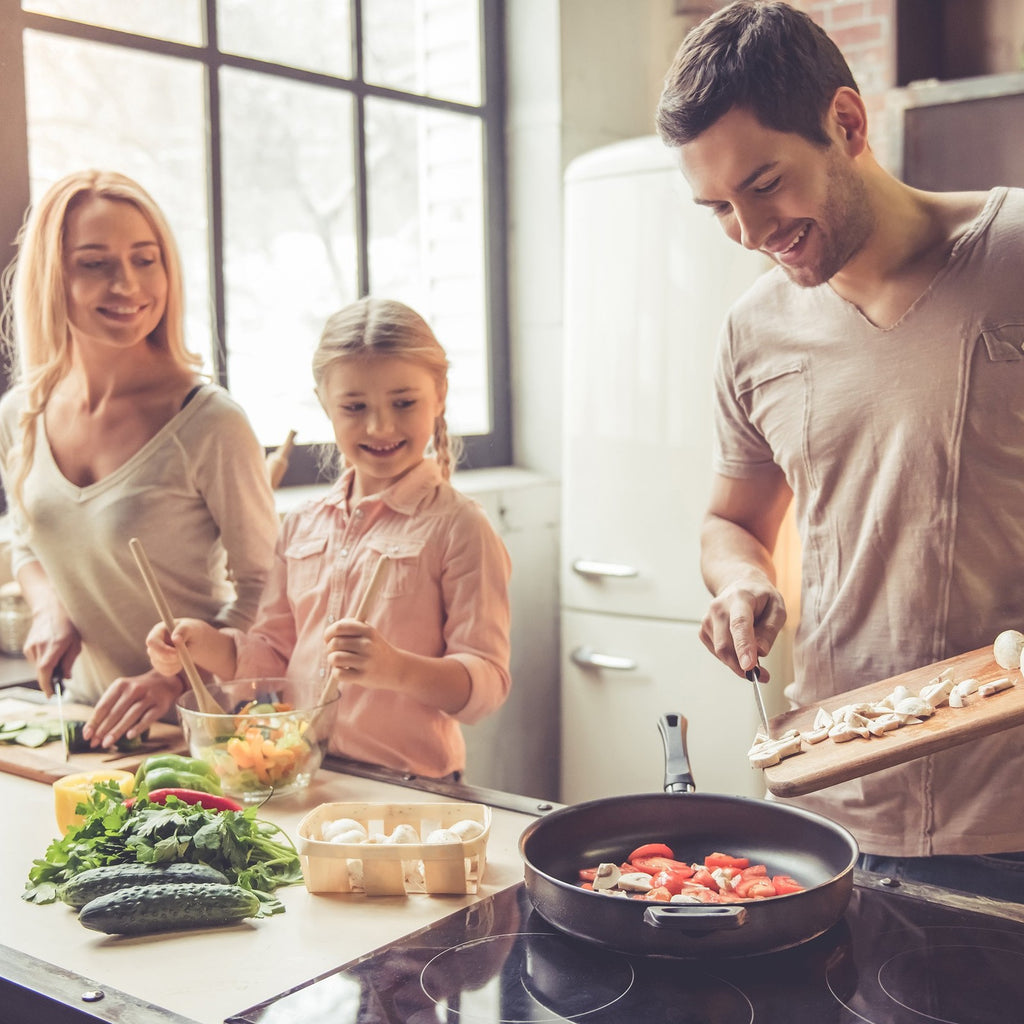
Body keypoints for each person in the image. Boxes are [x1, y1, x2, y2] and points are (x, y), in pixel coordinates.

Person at [655, 0, 1024, 897]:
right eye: (719, 210)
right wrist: (741, 579)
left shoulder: (1015, 255)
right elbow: (728, 520)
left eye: (765, 183)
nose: (749, 231)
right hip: (836, 807)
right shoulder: (754, 331)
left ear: (846, 123)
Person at [147, 296, 512, 779]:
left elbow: (486, 686)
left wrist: (395, 668)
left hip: (415, 787)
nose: (380, 426)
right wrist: (204, 646)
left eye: (404, 403)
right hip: (308, 775)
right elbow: (272, 657)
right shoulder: (300, 524)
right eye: (355, 407)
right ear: (324, 403)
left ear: (439, 393)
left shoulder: (461, 527)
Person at [0, 169, 278, 748]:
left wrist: (167, 679)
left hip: (199, 731)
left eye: (144, 259)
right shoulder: (20, 415)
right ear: (53, 278)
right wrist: (50, 607)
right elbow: (25, 537)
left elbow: (270, 594)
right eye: (95, 263)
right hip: (81, 721)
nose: (127, 284)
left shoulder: (210, 422)